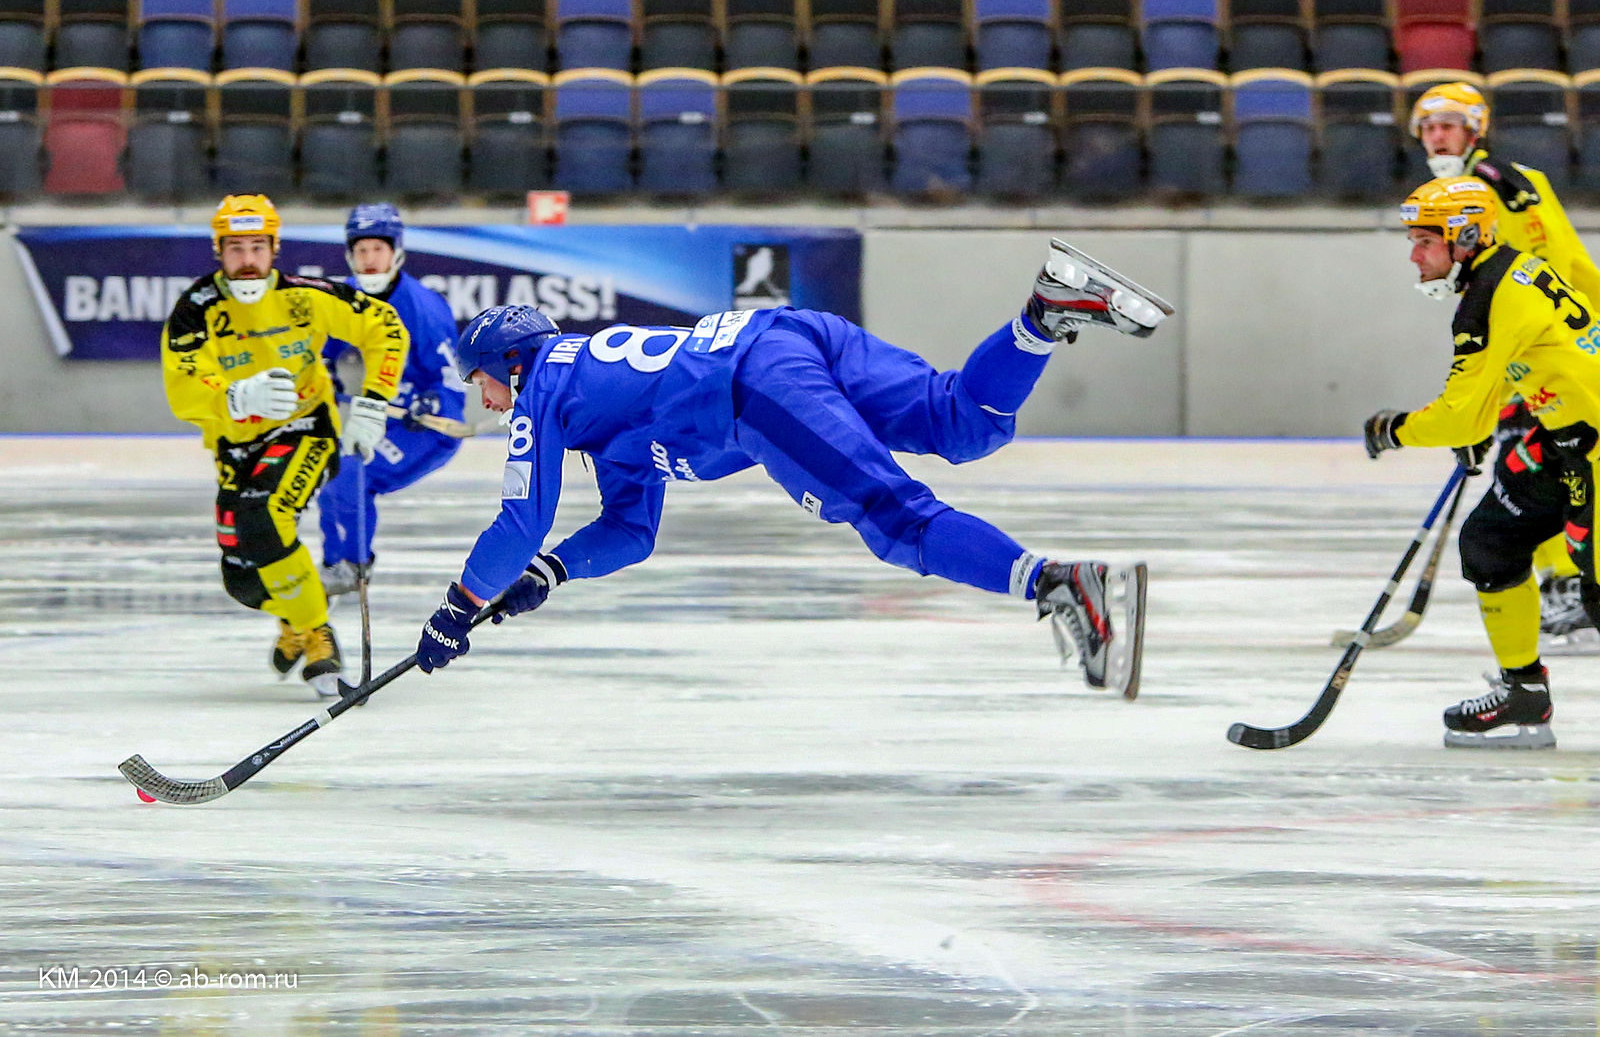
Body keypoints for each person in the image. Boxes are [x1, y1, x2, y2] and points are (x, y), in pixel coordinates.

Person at [411, 240, 1173, 697]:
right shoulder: (594, 406)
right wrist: (550, 572)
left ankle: (1060, 584)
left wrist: (458, 604)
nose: (486, 400)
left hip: (750, 385)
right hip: (788, 337)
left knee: (896, 518)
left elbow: (520, 518)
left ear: (510, 361)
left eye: (482, 382)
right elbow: (629, 529)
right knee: (959, 419)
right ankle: (1044, 312)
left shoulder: (543, 387)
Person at [1363, 176, 1600, 749]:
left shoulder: (1485, 300)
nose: (1414, 256)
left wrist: (1393, 430)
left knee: (1595, 590)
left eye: (1425, 242)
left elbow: (1458, 419)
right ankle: (1524, 695)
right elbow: (1533, 359)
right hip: (1568, 437)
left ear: (1465, 239)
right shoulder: (1511, 268)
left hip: (1590, 446)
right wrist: (1488, 413)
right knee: (1492, 540)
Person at [160, 194, 409, 698]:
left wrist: (373, 403)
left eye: (258, 247)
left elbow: (385, 327)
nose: (247, 260)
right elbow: (180, 386)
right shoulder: (195, 309)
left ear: (274, 248)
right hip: (235, 448)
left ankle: (317, 634)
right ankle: (295, 620)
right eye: (236, 249)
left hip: (306, 430)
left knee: (264, 515)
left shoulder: (306, 296)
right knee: (242, 578)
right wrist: (233, 396)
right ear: (218, 251)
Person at [1411, 80, 1600, 652]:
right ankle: (1564, 584)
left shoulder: (1496, 188)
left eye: (1449, 125)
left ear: (1475, 130)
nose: (1437, 135)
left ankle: (1567, 583)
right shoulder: (1469, 189)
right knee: (1531, 477)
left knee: (1549, 469)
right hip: (1540, 349)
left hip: (1552, 355)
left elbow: (1552, 266)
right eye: (1428, 126)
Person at [317, 203, 468, 596]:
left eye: (377, 250)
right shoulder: (343, 298)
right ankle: (333, 564)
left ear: (396, 252)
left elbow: (450, 379)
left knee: (351, 475)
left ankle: (354, 564)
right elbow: (321, 349)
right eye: (361, 251)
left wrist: (433, 403)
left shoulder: (423, 308)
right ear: (350, 255)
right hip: (379, 417)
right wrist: (321, 375)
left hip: (425, 430)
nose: (369, 260)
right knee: (327, 473)